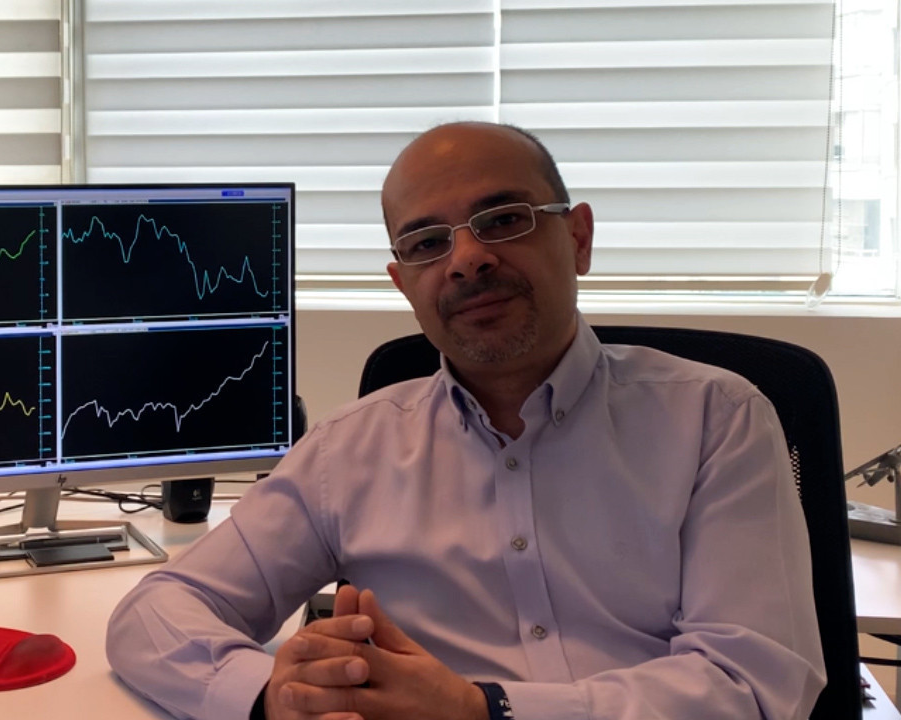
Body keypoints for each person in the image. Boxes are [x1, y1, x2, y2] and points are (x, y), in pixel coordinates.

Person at [105, 122, 825, 720]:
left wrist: (487, 710)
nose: (467, 260)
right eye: (427, 243)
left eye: (504, 221)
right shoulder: (347, 452)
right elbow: (157, 612)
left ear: (578, 238)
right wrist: (269, 695)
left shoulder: (717, 420)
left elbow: (754, 686)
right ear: (403, 283)